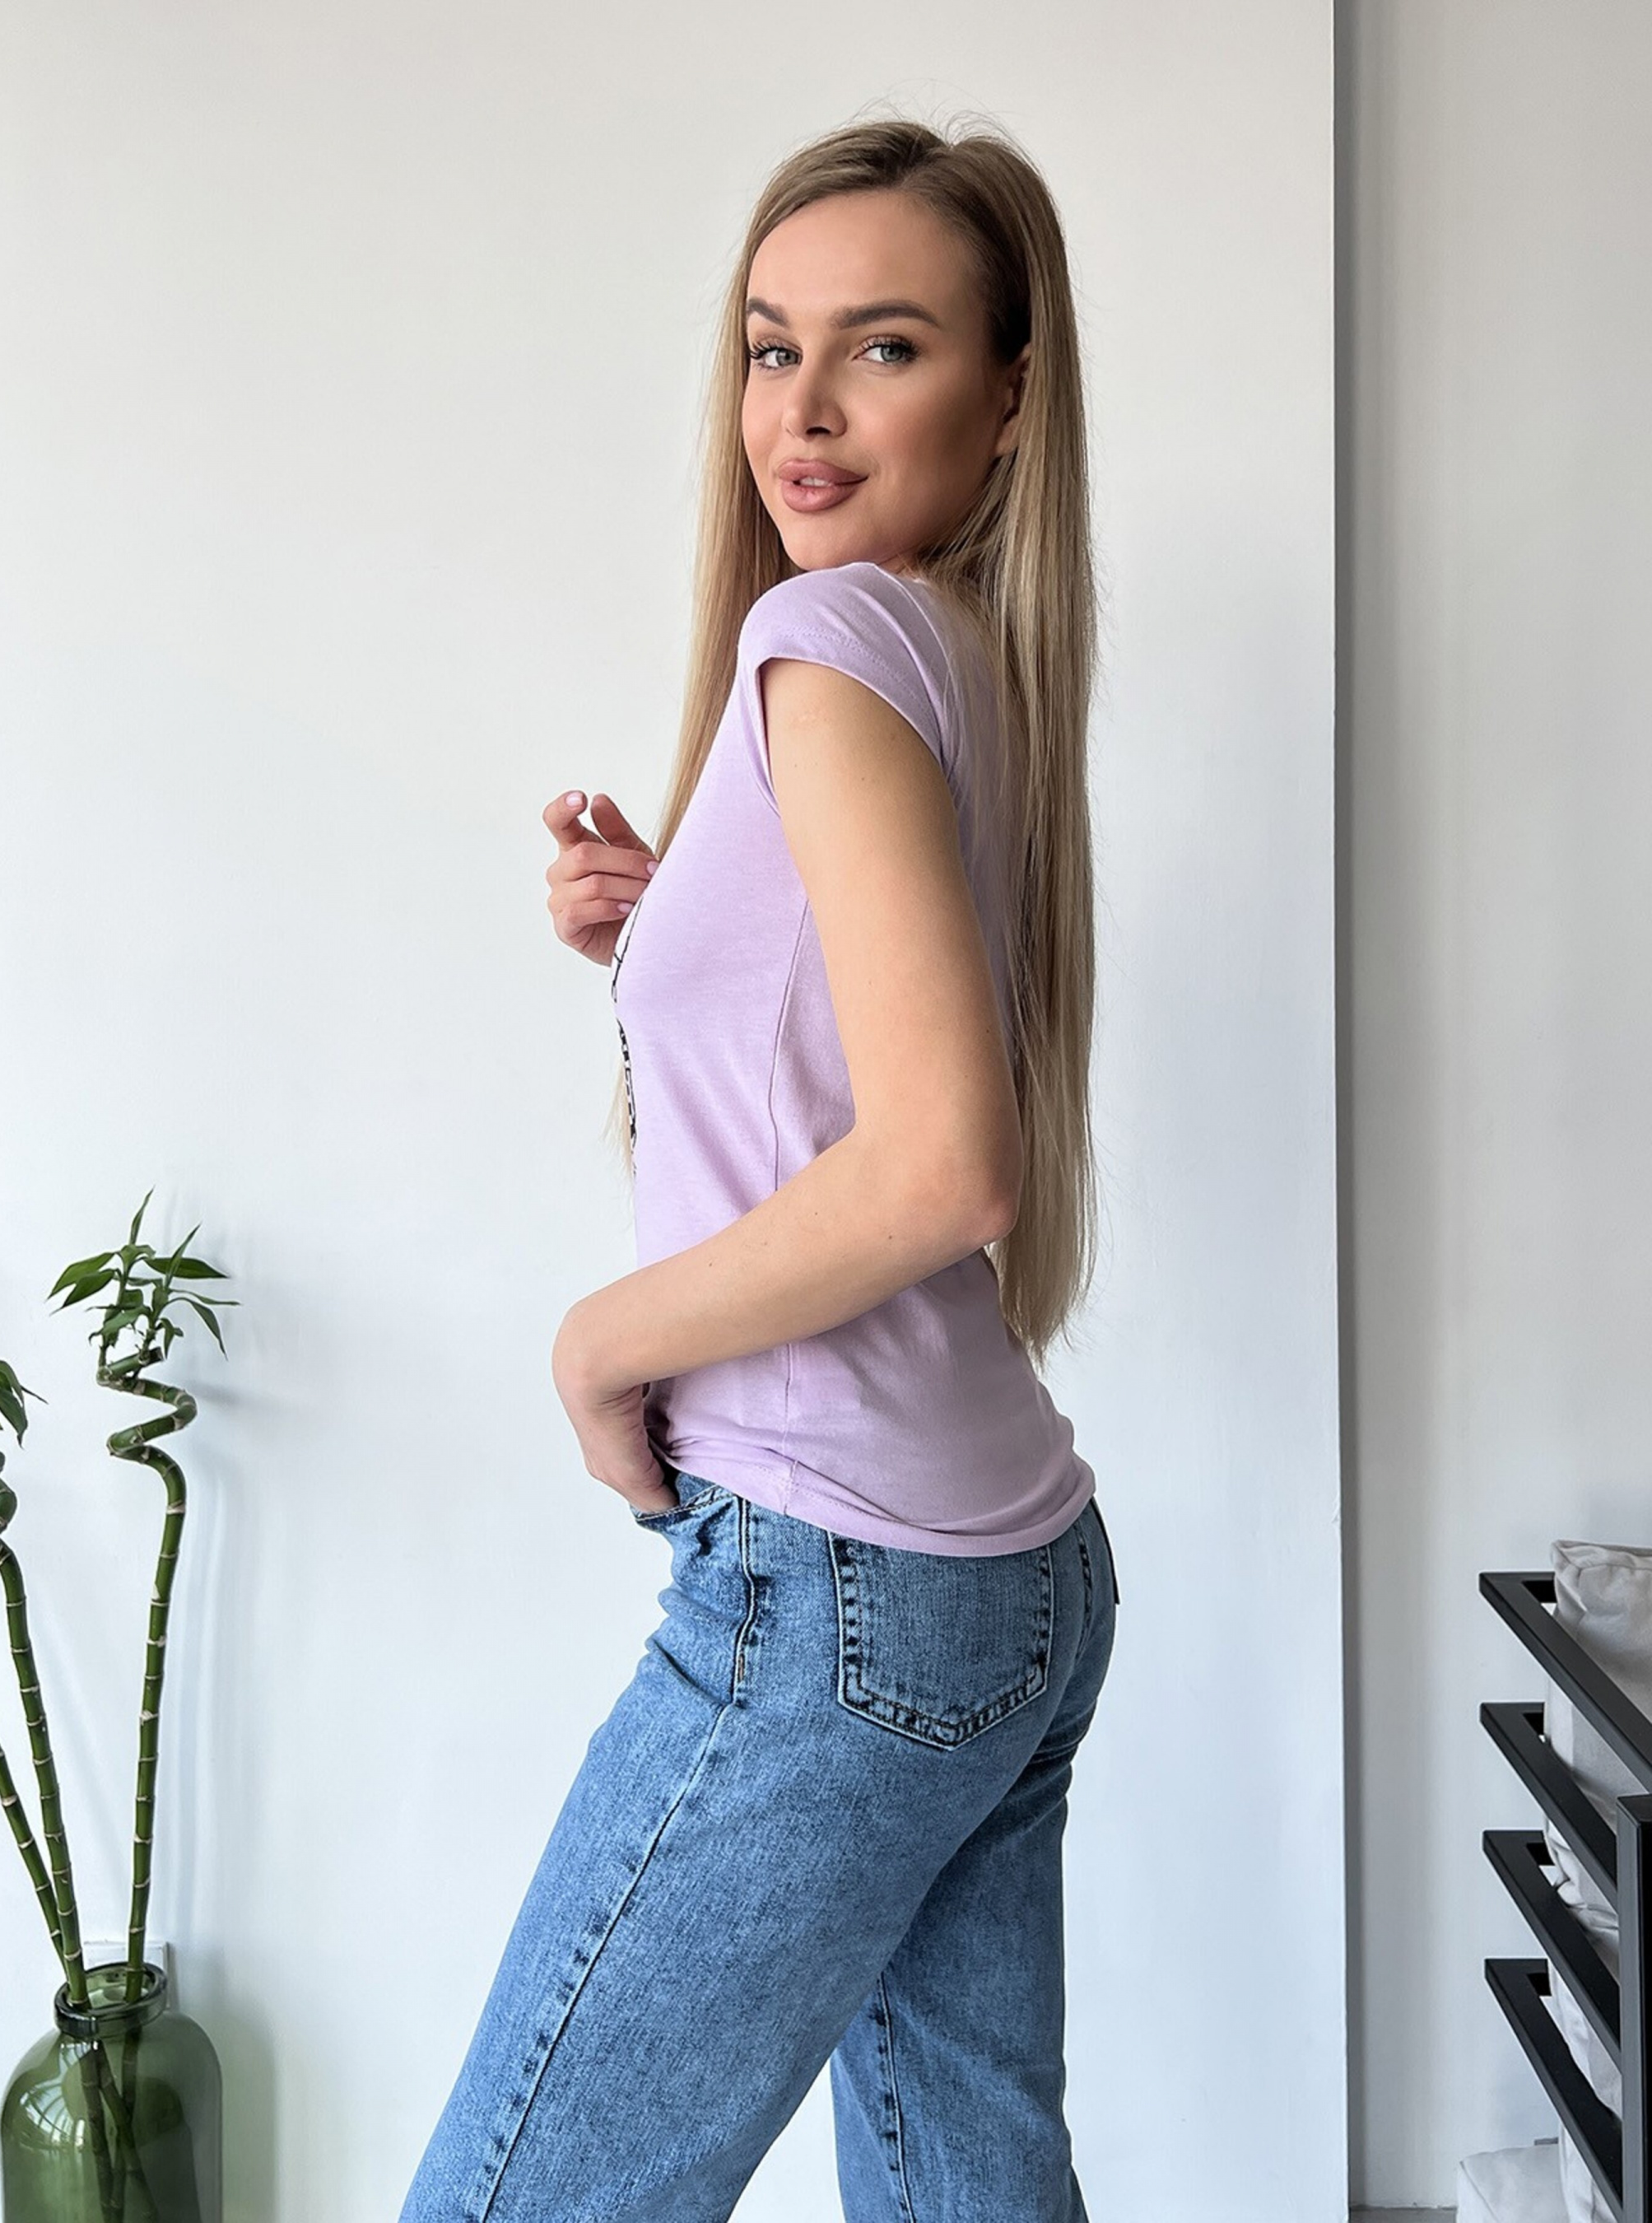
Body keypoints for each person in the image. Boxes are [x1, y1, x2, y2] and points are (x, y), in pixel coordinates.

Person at [398, 111, 1121, 2223]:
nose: (799, 410)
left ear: (1006, 402)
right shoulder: (951, 650)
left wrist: (597, 1343)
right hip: (1005, 1574)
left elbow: (942, 1163)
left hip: (835, 1586)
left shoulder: (830, 649)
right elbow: (857, 1033)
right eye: (766, 346)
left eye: (881, 348)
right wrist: (671, 937)